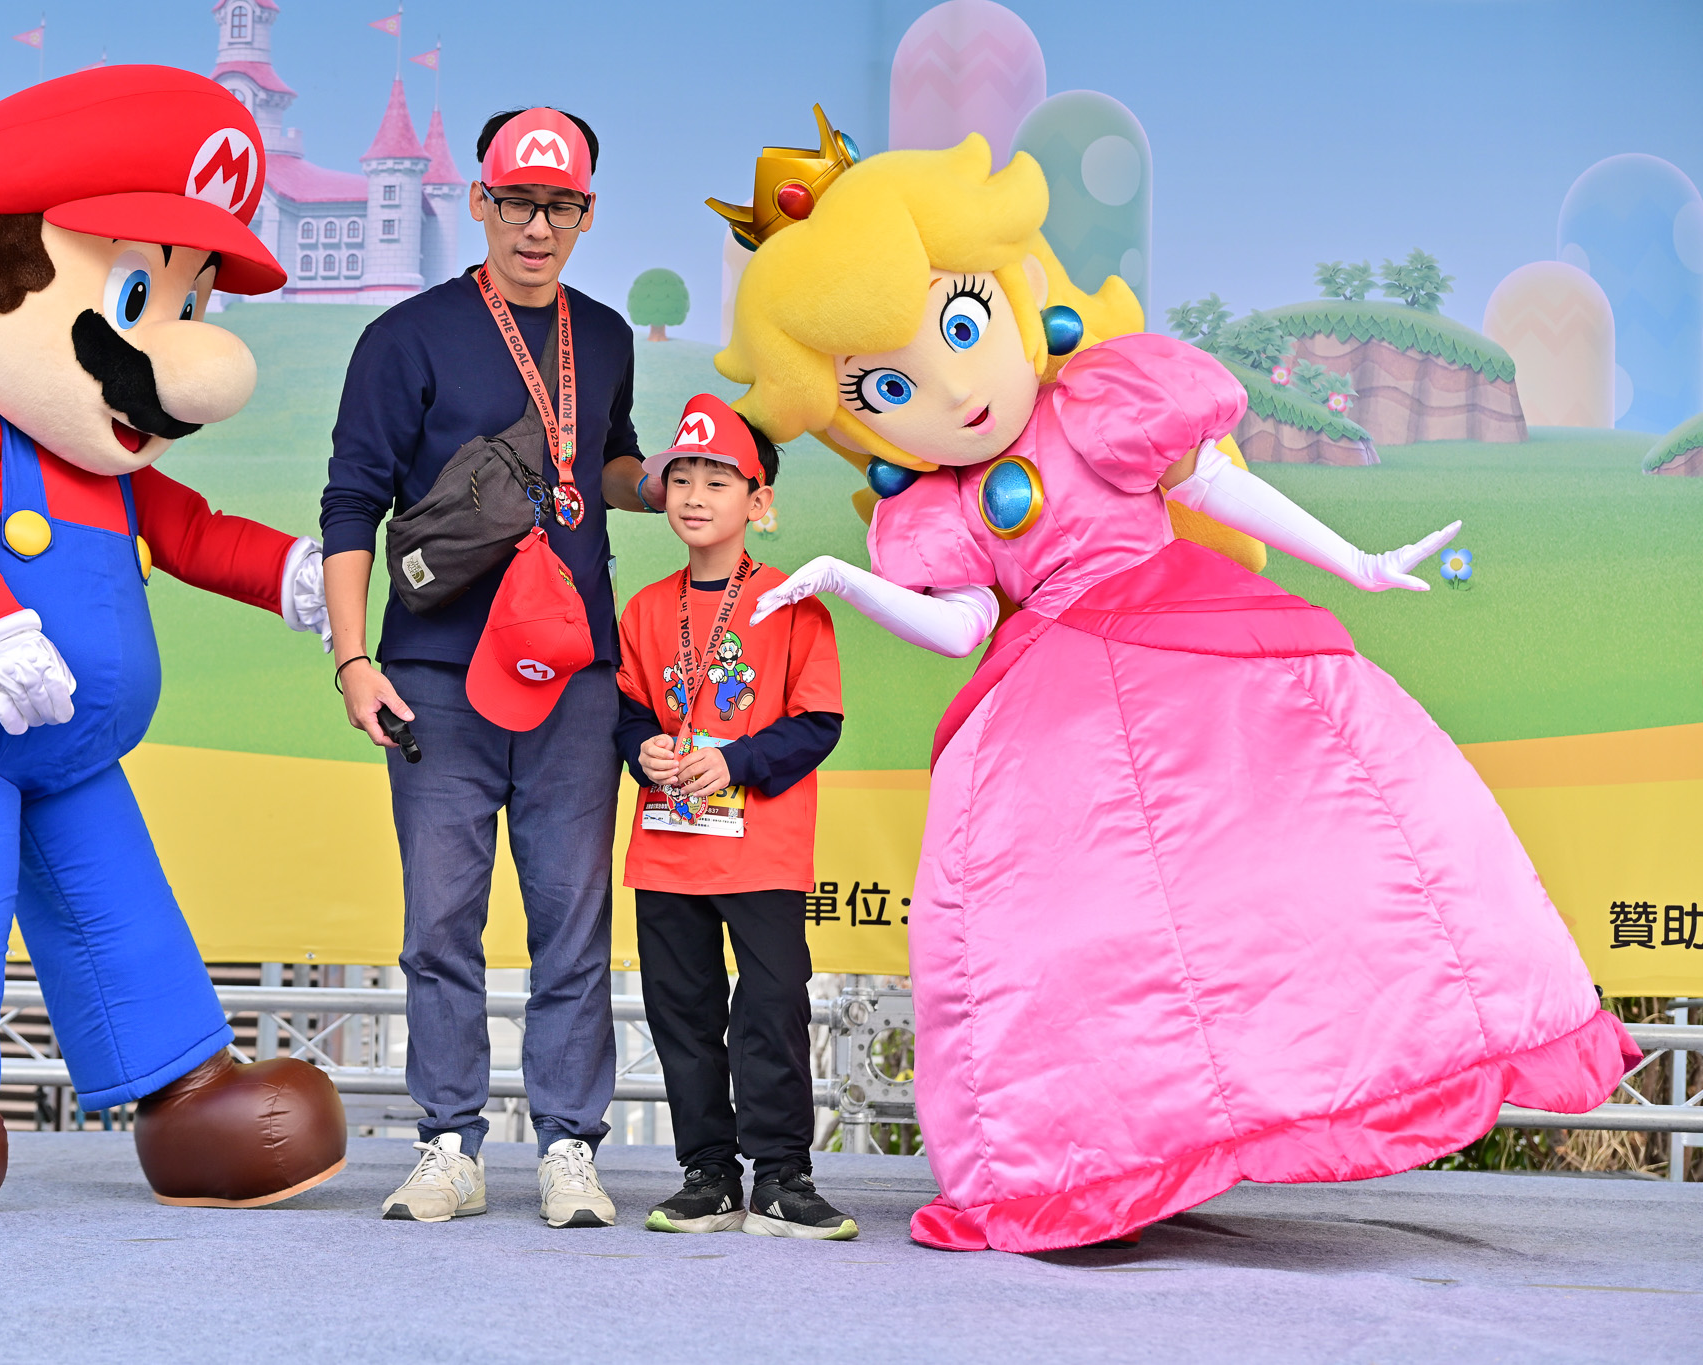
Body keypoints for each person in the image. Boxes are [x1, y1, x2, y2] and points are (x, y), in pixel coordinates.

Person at [724, 130, 1640, 1253]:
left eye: (960, 327)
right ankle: (1098, 1155)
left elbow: (1211, 483)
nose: (952, 390)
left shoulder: (1099, 407)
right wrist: (845, 578)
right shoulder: (940, 510)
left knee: (1336, 842)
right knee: (1062, 924)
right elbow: (961, 627)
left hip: (1196, 639)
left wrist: (1353, 563)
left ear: (1010, 291)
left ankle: (1339, 1074)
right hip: (1049, 696)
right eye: (888, 385)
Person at [0, 66, 347, 1219]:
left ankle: (187, 1099)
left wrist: (293, 572)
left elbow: (197, 535)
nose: (189, 361)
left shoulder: (110, 472)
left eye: (190, 308)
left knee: (122, 918)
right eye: (141, 294)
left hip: (75, 757)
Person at [319, 107, 662, 1227]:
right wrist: (353, 658)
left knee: (573, 922)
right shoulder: (406, 336)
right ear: (479, 201)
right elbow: (351, 504)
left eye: (558, 206)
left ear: (586, 213)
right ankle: (448, 1143)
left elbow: (602, 461)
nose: (535, 226)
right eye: (516, 202)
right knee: (440, 922)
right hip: (435, 671)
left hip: (573, 674)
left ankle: (569, 1147)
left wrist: (669, 478)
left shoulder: (602, 336)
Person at [614, 394, 854, 1239]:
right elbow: (626, 711)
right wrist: (641, 746)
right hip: (667, 845)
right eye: (682, 478)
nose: (695, 495)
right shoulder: (646, 609)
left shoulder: (794, 604)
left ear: (758, 500)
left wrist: (735, 760)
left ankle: (782, 1175)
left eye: (718, 481)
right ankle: (708, 1175)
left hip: (762, 848)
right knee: (682, 1011)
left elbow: (817, 723)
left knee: (773, 1004)